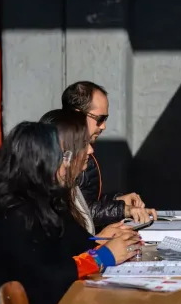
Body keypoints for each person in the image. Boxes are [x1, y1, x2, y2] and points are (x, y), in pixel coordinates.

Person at [0, 122, 142, 304]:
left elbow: (78, 244)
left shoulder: (46, 200)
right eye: (62, 157)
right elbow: (45, 275)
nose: (67, 164)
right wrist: (102, 256)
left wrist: (103, 242)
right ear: (40, 162)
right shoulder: (13, 214)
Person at [61, 81, 156, 227]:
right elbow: (77, 212)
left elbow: (85, 203)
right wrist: (123, 210)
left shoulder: (79, 151)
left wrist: (118, 201)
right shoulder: (60, 154)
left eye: (106, 119)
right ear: (77, 116)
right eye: (100, 119)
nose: (104, 126)